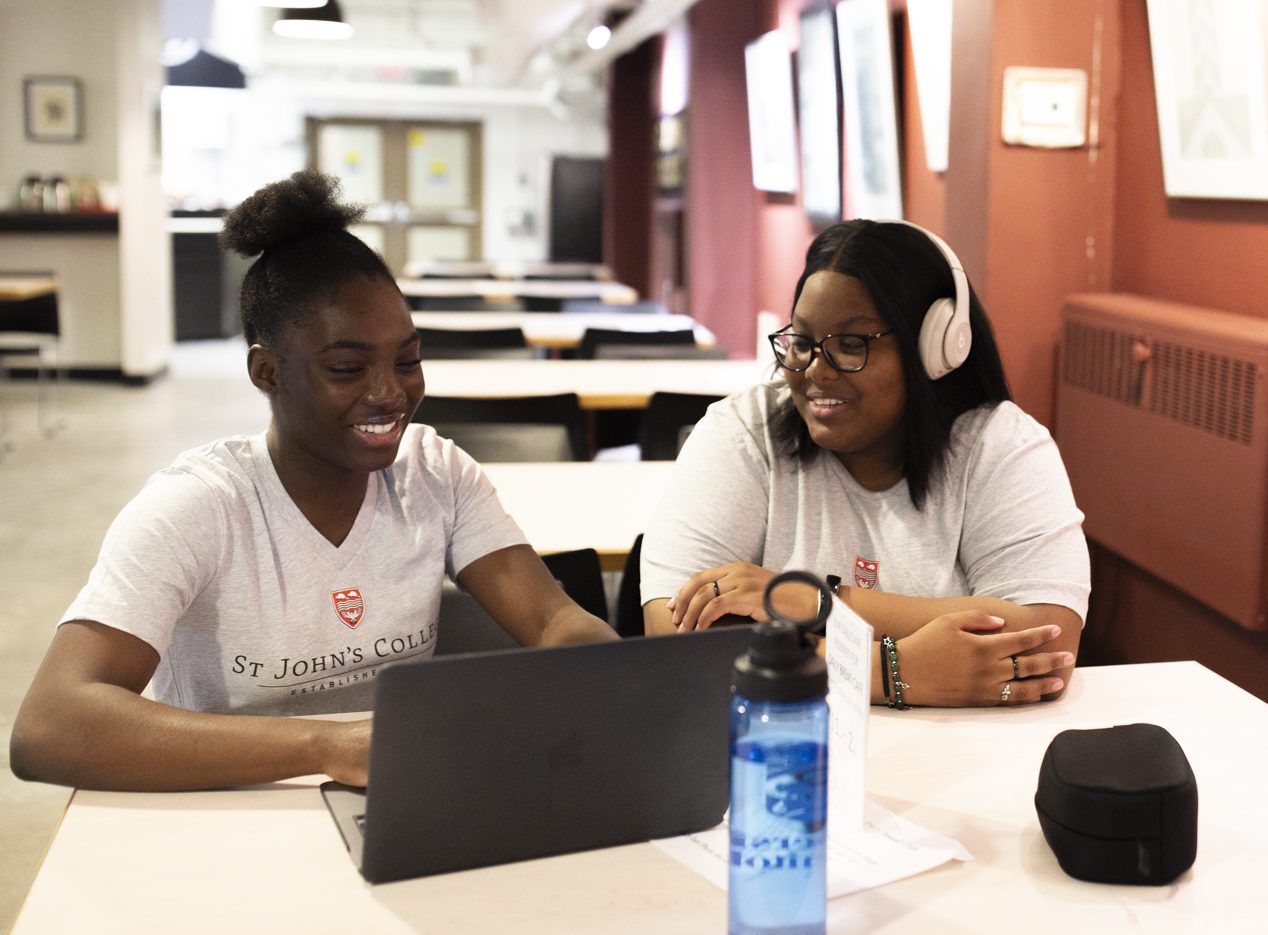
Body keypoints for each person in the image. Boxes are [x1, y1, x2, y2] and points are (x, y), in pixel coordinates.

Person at [10, 170, 615, 792]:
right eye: (347, 367)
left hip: (389, 799)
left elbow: (551, 622)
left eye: (407, 360)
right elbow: (50, 726)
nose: (390, 393)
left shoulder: (434, 473)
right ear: (266, 371)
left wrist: (608, 666)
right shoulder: (198, 506)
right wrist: (328, 746)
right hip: (216, 814)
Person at [640, 219, 1088, 707]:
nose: (815, 369)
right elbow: (676, 637)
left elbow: (1048, 639)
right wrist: (896, 671)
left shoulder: (1000, 445)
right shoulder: (745, 432)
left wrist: (816, 602)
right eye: (803, 342)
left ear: (934, 346)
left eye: (851, 345)